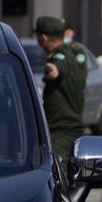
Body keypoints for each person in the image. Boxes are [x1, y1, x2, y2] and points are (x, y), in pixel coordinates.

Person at [36, 15, 87, 164]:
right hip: (67, 129)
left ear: (44, 38)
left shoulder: (61, 55)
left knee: (58, 177)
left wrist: (51, 69)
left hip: (61, 132)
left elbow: (57, 68)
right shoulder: (70, 52)